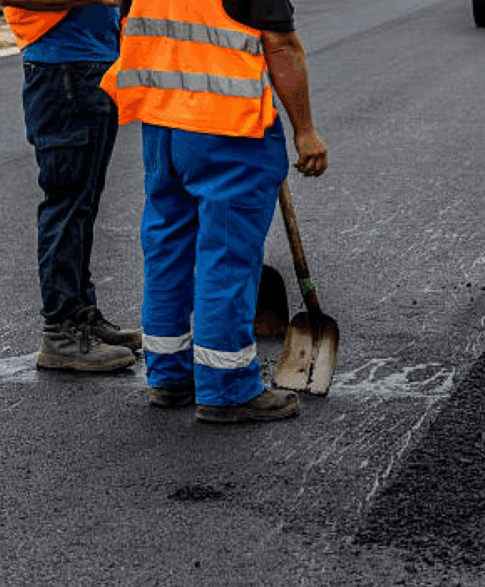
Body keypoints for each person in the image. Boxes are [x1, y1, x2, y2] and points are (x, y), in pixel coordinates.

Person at [100, 0, 329, 423]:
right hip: (228, 129)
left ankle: (169, 376)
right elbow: (281, 45)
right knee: (226, 257)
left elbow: (131, 27)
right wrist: (305, 130)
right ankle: (227, 388)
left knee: (167, 248)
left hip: (163, 126)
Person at [0, 0, 143, 372]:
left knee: (83, 203)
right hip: (62, 70)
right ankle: (61, 331)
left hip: (91, 67)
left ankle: (80, 315)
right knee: (67, 202)